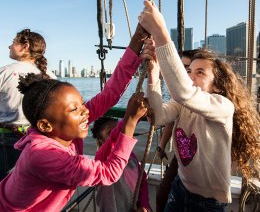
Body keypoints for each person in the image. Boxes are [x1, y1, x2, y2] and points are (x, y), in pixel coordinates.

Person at [0, 24, 154, 211]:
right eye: (74, 109)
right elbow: (108, 174)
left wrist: (137, 38)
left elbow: (109, 95)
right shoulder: (44, 154)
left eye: (82, 103)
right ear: (45, 125)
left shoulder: (61, 129)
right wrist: (129, 122)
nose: (84, 111)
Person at [139, 0, 260, 211]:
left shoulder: (222, 106)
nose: (191, 76)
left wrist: (160, 31)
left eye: (200, 72)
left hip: (208, 202)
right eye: (189, 71)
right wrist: (153, 73)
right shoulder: (183, 105)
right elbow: (158, 117)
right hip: (181, 187)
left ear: (217, 86)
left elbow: (183, 91)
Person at [0, 29, 56, 180]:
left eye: (13, 42)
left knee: (4, 185)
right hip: (38, 140)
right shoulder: (51, 76)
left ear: (25, 47)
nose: (9, 46)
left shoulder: (5, 72)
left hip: (7, 140)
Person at [155, 49, 199, 212]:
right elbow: (168, 119)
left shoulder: (214, 103)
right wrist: (161, 145)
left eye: (187, 69)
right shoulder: (179, 100)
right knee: (162, 196)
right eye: (182, 69)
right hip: (182, 156)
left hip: (202, 162)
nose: (183, 75)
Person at [92, 116, 151, 212]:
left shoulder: (131, 156)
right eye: (111, 132)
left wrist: (144, 205)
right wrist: (134, 116)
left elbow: (142, 180)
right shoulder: (100, 160)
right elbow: (114, 138)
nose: (119, 135)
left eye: (121, 131)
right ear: (100, 140)